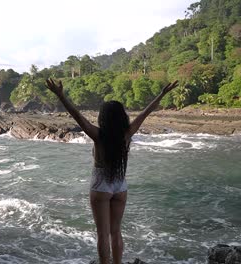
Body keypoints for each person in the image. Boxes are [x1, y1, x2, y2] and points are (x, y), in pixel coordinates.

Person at [45, 78, 178, 264]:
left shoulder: (98, 135)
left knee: (102, 235)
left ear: (103, 118)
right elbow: (146, 112)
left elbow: (78, 117)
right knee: (116, 232)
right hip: (120, 185)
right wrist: (163, 94)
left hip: (101, 186)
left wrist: (61, 95)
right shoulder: (127, 134)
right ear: (122, 117)